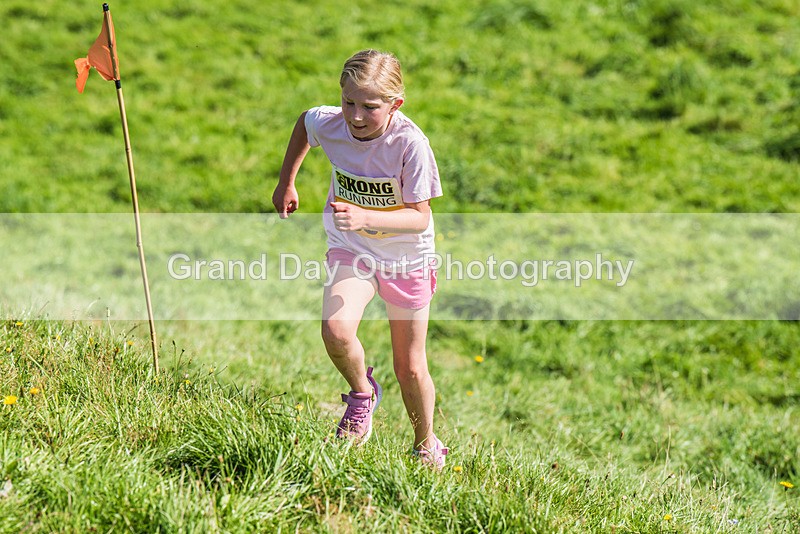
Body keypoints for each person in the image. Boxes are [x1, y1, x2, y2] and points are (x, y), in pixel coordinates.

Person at [272, 49, 448, 467]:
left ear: (395, 104)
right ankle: (362, 395)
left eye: (370, 107)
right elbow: (304, 123)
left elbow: (420, 219)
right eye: (349, 102)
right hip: (353, 249)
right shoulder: (331, 123)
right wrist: (287, 182)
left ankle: (426, 443)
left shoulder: (410, 145)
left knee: (409, 368)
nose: (355, 116)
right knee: (335, 330)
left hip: (407, 260)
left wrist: (367, 215)